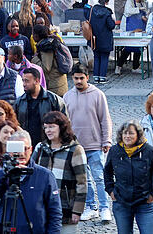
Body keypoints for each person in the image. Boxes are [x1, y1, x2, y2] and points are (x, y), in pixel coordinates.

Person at [0, 129, 63, 233]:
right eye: (16, 149)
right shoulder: (4, 175)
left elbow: (55, 211)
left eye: (25, 148)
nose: (20, 153)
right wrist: (2, 174)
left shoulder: (44, 175)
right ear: (9, 151)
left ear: (31, 149)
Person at [64, 64, 113, 223]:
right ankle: (92, 207)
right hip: (76, 147)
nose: (78, 81)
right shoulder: (67, 96)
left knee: (99, 178)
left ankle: (105, 207)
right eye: (76, 78)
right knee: (84, 180)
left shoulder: (98, 95)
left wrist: (107, 140)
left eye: (81, 78)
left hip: (95, 145)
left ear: (87, 77)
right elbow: (65, 122)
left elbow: (105, 119)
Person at [31, 110, 88, 233]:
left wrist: (77, 210)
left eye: (51, 127)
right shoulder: (40, 148)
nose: (48, 131)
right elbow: (31, 173)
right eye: (46, 127)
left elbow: (82, 183)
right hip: (41, 207)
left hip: (65, 209)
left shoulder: (75, 150)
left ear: (62, 127)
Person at [104, 120, 153, 234]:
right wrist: (110, 190)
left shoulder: (149, 151)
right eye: (125, 133)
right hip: (121, 202)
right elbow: (107, 171)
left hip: (145, 203)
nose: (127, 136)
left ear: (138, 135)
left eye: (131, 133)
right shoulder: (115, 150)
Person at [14, 67, 66, 148]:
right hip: (27, 146)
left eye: (27, 81)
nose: (24, 84)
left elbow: (65, 123)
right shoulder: (19, 102)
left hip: (49, 146)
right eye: (23, 81)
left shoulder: (53, 100)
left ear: (37, 81)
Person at [116, 0, 147, 75]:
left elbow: (144, 13)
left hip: (139, 27)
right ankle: (119, 66)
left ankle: (135, 67)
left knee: (139, 46)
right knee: (128, 47)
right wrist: (139, 9)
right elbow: (128, 11)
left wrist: (145, 18)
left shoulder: (142, 3)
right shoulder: (129, 1)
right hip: (128, 26)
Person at [32, 24, 70, 97]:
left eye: (33, 34)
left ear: (36, 35)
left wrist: (35, 58)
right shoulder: (51, 42)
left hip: (55, 88)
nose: (32, 36)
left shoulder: (46, 47)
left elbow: (46, 68)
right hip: (59, 84)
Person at [88, 0, 116, 84]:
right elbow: (111, 25)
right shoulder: (107, 12)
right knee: (104, 57)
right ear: (107, 2)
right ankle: (102, 77)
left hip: (94, 38)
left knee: (96, 57)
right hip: (105, 38)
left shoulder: (92, 10)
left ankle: (96, 77)